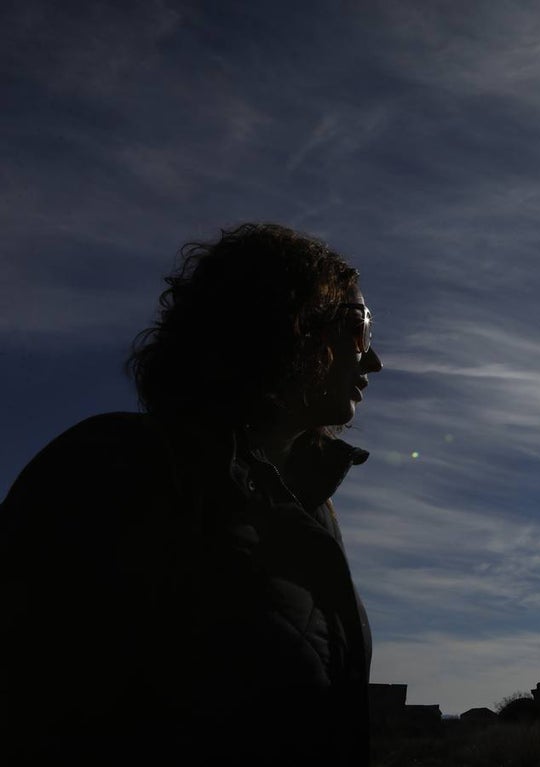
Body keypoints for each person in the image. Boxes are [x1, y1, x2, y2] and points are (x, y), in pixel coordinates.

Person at [0, 223, 384, 766]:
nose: (373, 360)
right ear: (291, 323)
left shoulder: (312, 508)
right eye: (359, 327)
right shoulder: (109, 470)